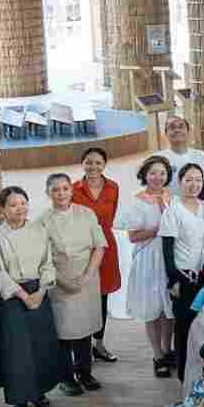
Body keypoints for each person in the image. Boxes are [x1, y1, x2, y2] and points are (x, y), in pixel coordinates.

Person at [0, 186, 67, 407]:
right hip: (11, 297)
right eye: (13, 205)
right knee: (15, 349)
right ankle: (20, 398)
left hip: (38, 291)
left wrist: (41, 291)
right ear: (2, 209)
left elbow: (47, 263)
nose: (20, 209)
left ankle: (39, 393)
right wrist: (24, 296)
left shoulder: (39, 230)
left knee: (40, 345)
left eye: (23, 203)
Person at [41, 172, 109, 395]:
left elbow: (99, 247)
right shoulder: (42, 221)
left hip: (87, 277)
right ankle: (66, 377)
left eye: (65, 188)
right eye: (55, 189)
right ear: (48, 193)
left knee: (84, 329)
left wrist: (87, 276)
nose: (61, 193)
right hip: (59, 280)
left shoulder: (86, 213)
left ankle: (85, 372)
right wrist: (65, 282)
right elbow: (43, 259)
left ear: (71, 190)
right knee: (63, 331)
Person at [117, 155, 175, 377]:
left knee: (168, 307)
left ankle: (167, 350)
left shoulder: (172, 197)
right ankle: (157, 355)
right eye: (153, 173)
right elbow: (133, 236)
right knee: (152, 308)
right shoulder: (137, 201)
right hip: (148, 258)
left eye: (162, 173)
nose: (158, 177)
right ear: (145, 175)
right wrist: (161, 228)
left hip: (169, 257)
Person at [160, 163, 204, 381]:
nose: (194, 184)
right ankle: (184, 374)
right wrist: (174, 278)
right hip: (183, 277)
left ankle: (202, 371)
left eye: (198, 180)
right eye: (188, 180)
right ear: (180, 182)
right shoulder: (173, 210)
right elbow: (167, 249)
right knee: (183, 327)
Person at [71, 148, 121, 364]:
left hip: (106, 247)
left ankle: (98, 344)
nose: (93, 167)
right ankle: (81, 348)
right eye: (89, 162)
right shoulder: (73, 189)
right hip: (82, 248)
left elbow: (111, 216)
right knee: (82, 296)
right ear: (82, 163)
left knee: (102, 297)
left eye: (98, 163)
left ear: (104, 165)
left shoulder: (113, 187)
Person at [160, 116, 204, 191]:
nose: (177, 130)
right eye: (172, 127)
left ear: (188, 132)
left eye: (181, 127)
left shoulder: (201, 156)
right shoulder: (158, 158)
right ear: (166, 134)